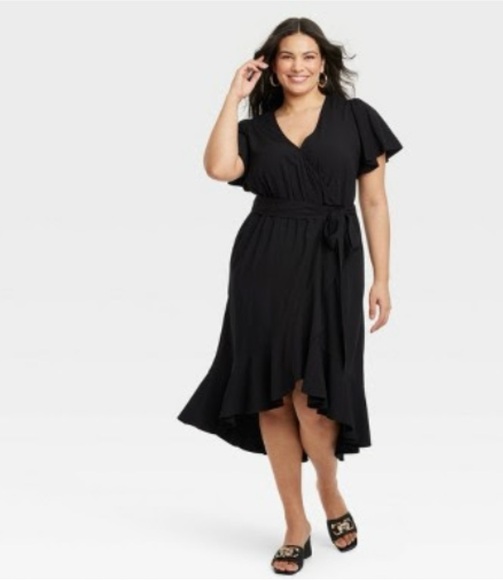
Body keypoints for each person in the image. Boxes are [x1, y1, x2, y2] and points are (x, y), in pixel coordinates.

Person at [177, 16, 403, 575]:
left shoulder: (357, 117)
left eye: (307, 56)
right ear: (272, 67)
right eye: (286, 57)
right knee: (273, 396)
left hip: (333, 262)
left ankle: (329, 487)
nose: (297, 66)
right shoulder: (255, 129)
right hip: (265, 262)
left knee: (315, 399)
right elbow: (218, 168)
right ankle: (295, 522)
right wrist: (233, 96)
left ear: (323, 63)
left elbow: (374, 201)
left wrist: (381, 277)